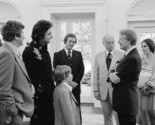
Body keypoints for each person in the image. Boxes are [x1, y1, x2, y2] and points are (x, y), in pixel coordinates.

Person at [0, 20, 34, 125]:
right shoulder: (6, 53)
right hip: (12, 112)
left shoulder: (11, 52)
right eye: (23, 34)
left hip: (17, 108)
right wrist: (12, 110)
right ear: (16, 36)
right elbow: (3, 88)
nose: (24, 37)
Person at [22, 20, 55, 125]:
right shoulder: (29, 51)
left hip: (48, 96)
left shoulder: (44, 50)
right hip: (38, 98)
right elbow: (29, 77)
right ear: (40, 35)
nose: (52, 36)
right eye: (49, 34)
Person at [108, 29, 142, 125]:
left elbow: (116, 79)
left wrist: (111, 74)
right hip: (123, 102)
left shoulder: (132, 58)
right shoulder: (127, 55)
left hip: (126, 103)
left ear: (128, 41)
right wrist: (111, 74)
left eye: (120, 39)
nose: (118, 42)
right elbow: (112, 73)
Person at [93, 34, 124, 125]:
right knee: (106, 115)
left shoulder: (122, 55)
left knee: (118, 114)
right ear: (103, 44)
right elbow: (95, 74)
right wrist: (95, 90)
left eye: (112, 42)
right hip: (103, 90)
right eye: (108, 43)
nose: (111, 44)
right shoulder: (98, 56)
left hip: (117, 90)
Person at [53, 33, 85, 104]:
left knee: (76, 107)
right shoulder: (57, 55)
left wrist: (76, 82)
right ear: (65, 41)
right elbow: (57, 71)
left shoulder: (78, 54)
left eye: (73, 42)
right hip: (62, 86)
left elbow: (81, 70)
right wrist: (66, 83)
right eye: (70, 41)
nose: (71, 43)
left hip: (75, 86)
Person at [138, 38, 155, 125]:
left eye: (145, 46)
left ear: (150, 46)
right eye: (142, 47)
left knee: (150, 113)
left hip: (149, 91)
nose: (143, 48)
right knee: (141, 112)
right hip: (140, 90)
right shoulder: (142, 59)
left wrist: (147, 86)